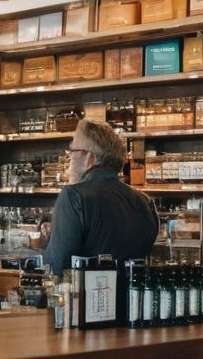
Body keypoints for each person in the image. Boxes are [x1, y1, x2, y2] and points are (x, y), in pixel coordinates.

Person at [41, 118, 158, 276]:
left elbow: (57, 265)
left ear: (90, 158)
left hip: (89, 298)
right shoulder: (144, 201)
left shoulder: (73, 197)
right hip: (135, 299)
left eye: (73, 151)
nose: (70, 159)